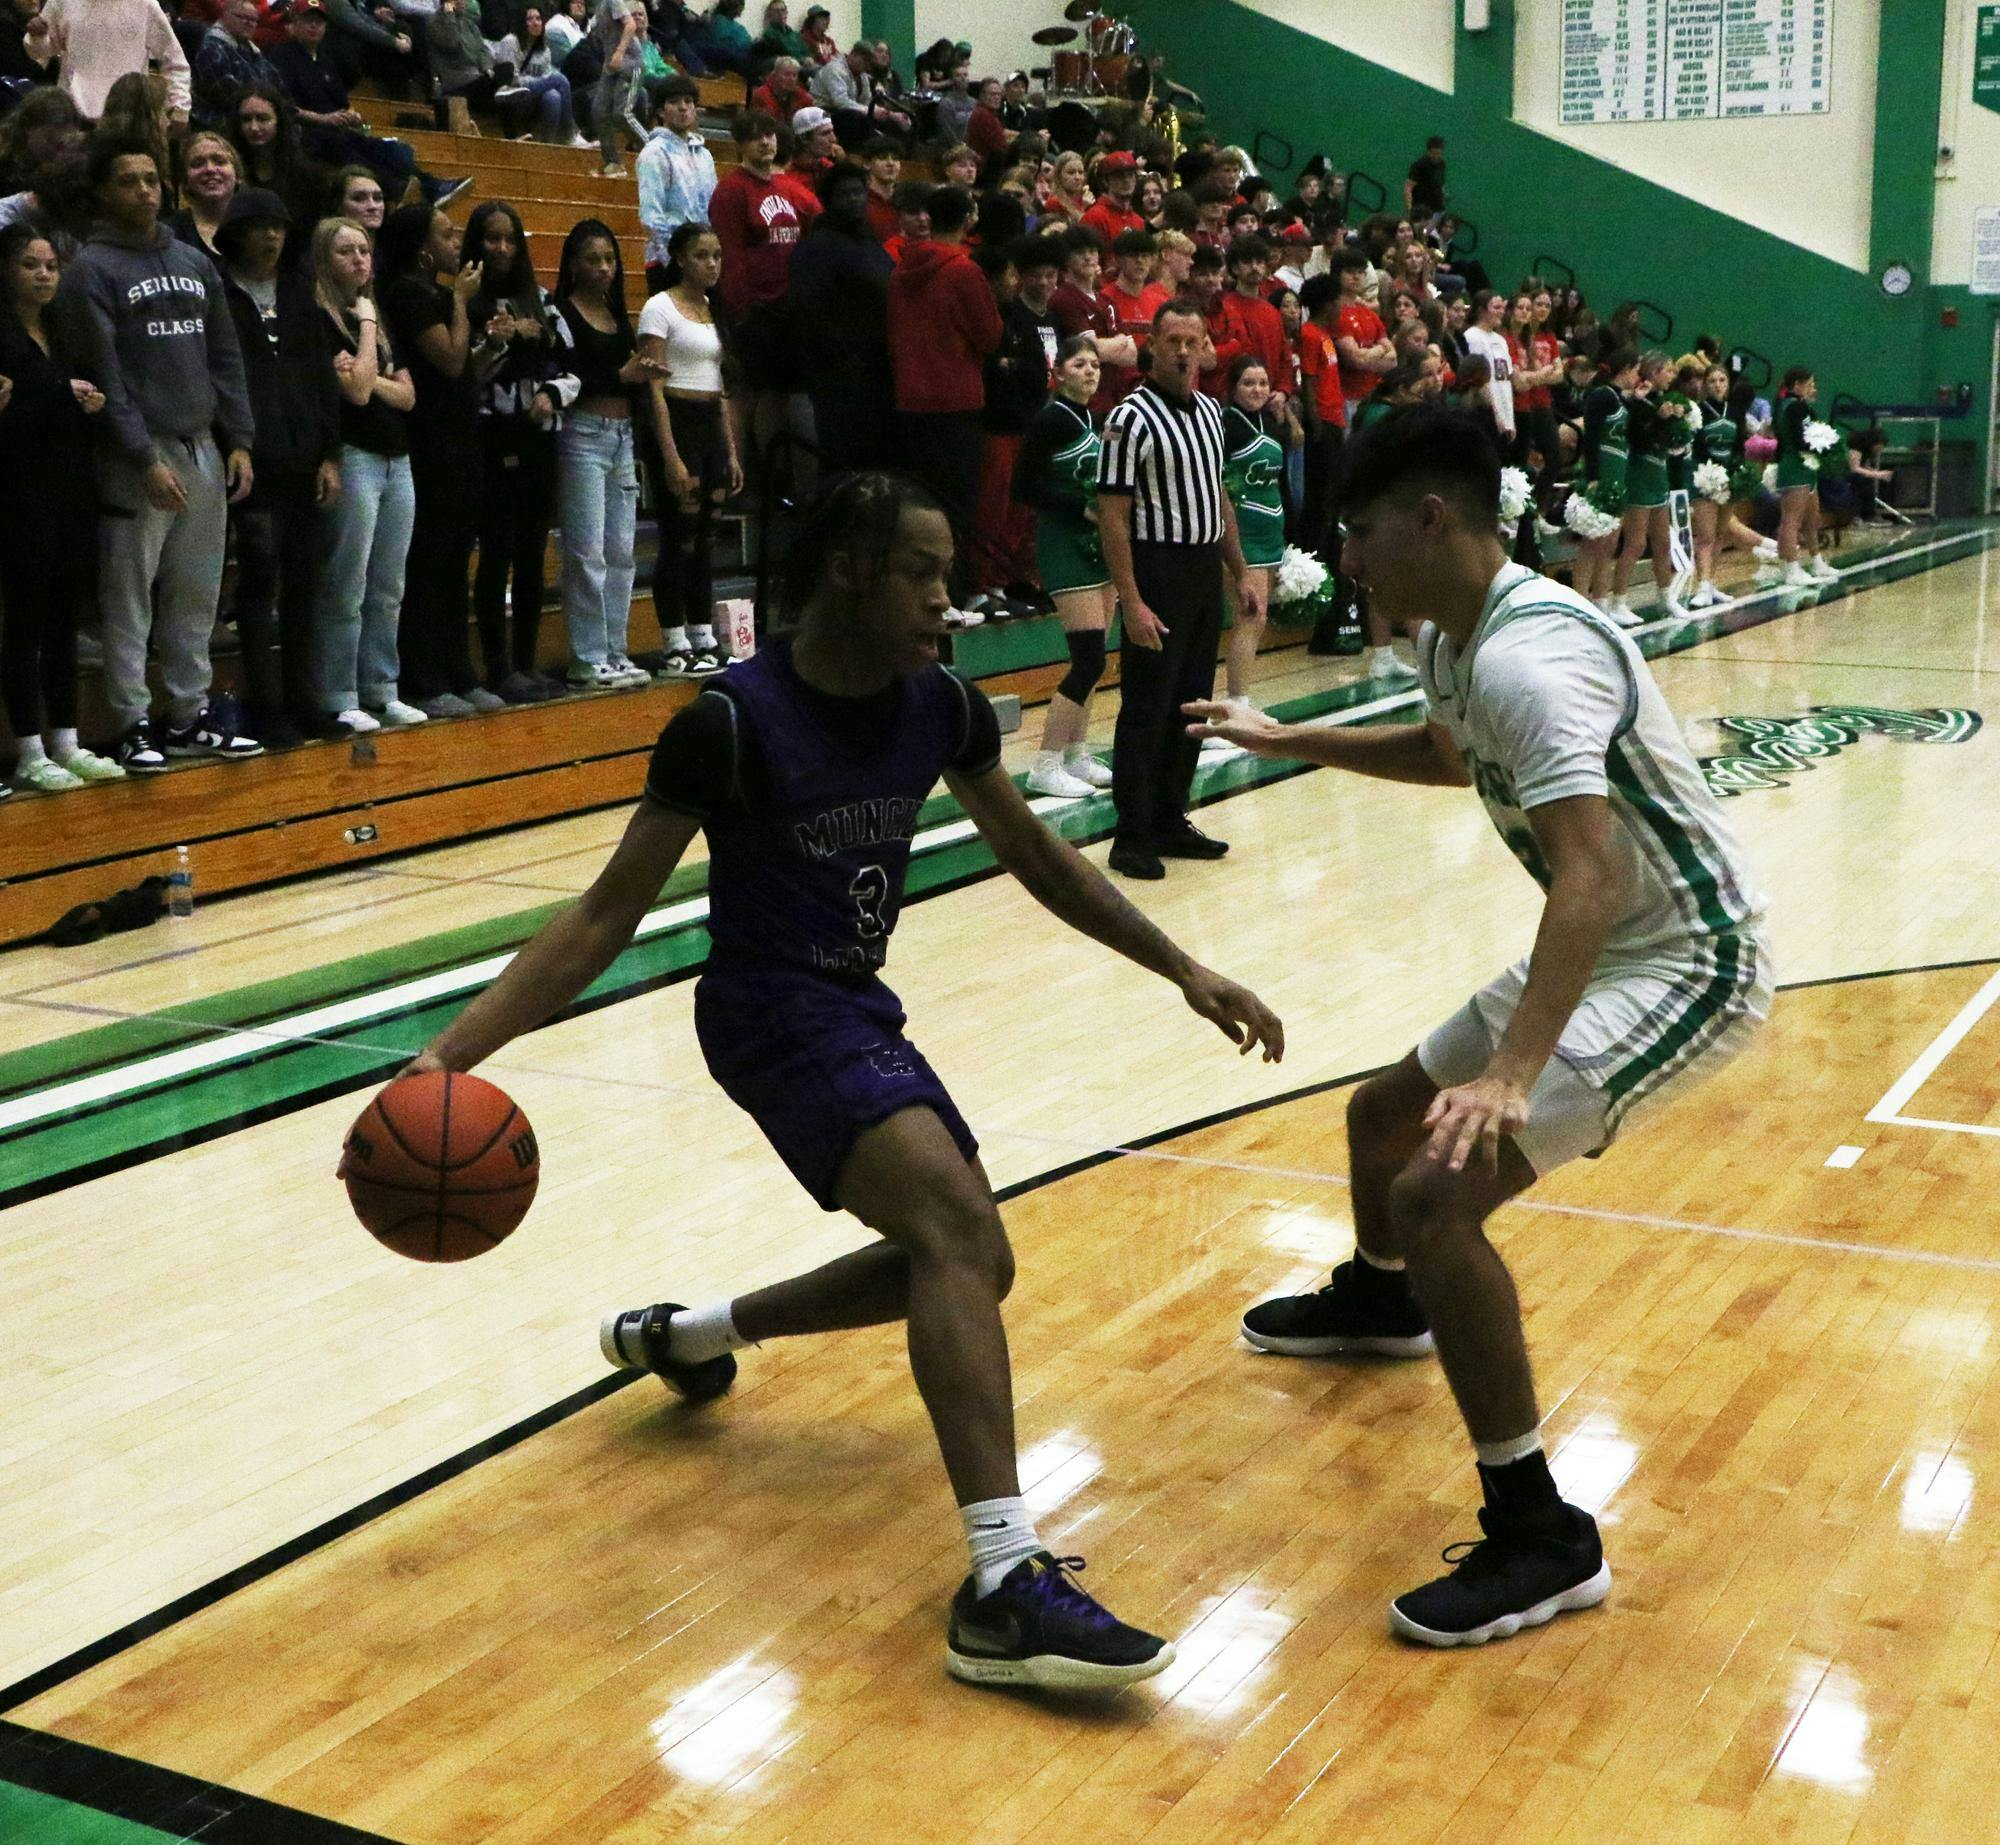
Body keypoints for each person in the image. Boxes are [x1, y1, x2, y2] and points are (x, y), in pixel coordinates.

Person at [398, 468, 1282, 1690]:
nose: (947, 597)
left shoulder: (941, 705)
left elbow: (1033, 855)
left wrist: (1182, 967)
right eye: (922, 572)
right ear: (850, 572)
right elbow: (605, 915)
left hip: (852, 1008)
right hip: (765, 1013)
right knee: (957, 1230)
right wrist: (451, 1055)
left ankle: (693, 1334)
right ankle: (1003, 1583)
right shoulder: (728, 722)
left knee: (971, 1260)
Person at [1199, 401, 1769, 1649]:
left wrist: (1513, 1074)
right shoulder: (1460, 643)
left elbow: (1592, 875)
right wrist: (1288, 734)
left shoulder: (1527, 656)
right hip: (1609, 945)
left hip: (1684, 964)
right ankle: (1385, 1304)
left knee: (1434, 1190)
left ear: (1429, 518)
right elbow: (1451, 759)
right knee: (1382, 1118)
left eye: (1356, 531)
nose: (1345, 557)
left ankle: (1541, 1535)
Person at [57, 136, 260, 773]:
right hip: (133, 456)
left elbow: (225, 357)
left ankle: (188, 714)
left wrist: (241, 440)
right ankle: (128, 720)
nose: (144, 190)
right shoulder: (91, 268)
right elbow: (105, 374)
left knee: (196, 595)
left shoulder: (194, 262)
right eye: (128, 181)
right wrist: (143, 457)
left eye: (151, 178)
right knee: (129, 596)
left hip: (202, 445)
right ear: (104, 192)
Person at [1097, 297, 1264, 880]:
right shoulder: (1129, 417)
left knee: (1192, 702)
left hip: (1200, 571)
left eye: (1194, 341)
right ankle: (1131, 833)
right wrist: (1132, 598)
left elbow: (1218, 496)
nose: (1185, 351)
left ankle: (1170, 817)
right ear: (1153, 346)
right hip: (1156, 569)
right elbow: (1113, 514)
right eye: (1174, 341)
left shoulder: (1212, 414)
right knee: (1147, 706)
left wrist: (1240, 570)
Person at [217, 187, 342, 748]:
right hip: (253, 463)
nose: (271, 235)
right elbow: (220, 378)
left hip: (304, 459)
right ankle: (265, 708)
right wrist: (232, 444)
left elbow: (322, 381)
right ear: (236, 232)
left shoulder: (298, 296)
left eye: (279, 226)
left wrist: (330, 454)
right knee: (259, 586)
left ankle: (305, 700)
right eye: (259, 225)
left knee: (306, 586)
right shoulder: (220, 294)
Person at [0, 220, 121, 791]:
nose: (44, 274)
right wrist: (54, 394)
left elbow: (72, 396)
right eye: (30, 264)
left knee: (64, 622)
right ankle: (27, 747)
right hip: (18, 494)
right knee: (24, 623)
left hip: (70, 490)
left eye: (50, 265)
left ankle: (67, 740)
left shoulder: (64, 330)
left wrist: (88, 401)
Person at [376, 201, 498, 716]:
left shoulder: (437, 293)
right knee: (430, 561)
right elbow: (447, 360)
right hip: (430, 442)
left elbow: (466, 366)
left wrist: (492, 346)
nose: (457, 244)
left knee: (453, 560)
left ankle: (457, 667)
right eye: (447, 235)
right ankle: (423, 676)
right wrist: (462, 303)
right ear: (423, 248)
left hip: (460, 435)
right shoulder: (408, 292)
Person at [311, 212, 424, 732]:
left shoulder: (373, 313)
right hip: (353, 455)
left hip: (395, 457)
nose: (359, 259)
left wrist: (369, 372)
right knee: (347, 581)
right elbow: (356, 392)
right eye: (346, 251)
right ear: (323, 259)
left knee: (389, 582)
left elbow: (406, 395)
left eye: (364, 250)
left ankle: (383, 685)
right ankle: (341, 691)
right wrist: (367, 326)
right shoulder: (324, 316)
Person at [551, 218, 660, 698]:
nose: (603, 268)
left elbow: (622, 376)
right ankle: (588, 655)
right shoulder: (561, 313)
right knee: (586, 551)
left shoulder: (618, 316)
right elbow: (572, 379)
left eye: (610, 259)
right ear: (573, 264)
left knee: (621, 551)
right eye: (593, 259)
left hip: (621, 436)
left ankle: (616, 649)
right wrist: (625, 374)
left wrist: (639, 374)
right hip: (583, 435)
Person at [464, 200, 563, 703]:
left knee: (531, 555)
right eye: (491, 238)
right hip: (487, 440)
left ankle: (527, 662)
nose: (502, 248)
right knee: (497, 552)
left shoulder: (541, 298)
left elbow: (572, 361)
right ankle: (497, 666)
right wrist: (497, 342)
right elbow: (461, 377)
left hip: (538, 440)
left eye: (510, 239)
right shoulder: (464, 300)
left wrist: (553, 390)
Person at [886, 183, 999, 602]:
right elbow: (990, 335)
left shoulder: (900, 269)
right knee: (958, 505)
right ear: (968, 218)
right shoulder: (964, 270)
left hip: (910, 400)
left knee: (921, 505)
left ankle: (920, 592)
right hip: (957, 400)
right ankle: (960, 591)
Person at [637, 219, 739, 680]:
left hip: (710, 427)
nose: (712, 264)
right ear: (680, 259)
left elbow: (720, 388)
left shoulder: (715, 310)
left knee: (705, 539)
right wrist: (670, 455)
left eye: (717, 255)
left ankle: (702, 635)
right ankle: (672, 641)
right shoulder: (660, 308)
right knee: (678, 537)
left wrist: (732, 452)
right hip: (677, 421)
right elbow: (654, 388)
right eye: (702, 255)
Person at [1011, 334, 1112, 796]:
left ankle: (1076, 753)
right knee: (1088, 660)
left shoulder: (1089, 417)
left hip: (1094, 547)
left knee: (1095, 659)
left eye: (1095, 364)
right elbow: (1024, 487)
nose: (1090, 371)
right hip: (1063, 547)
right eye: (1079, 364)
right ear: (1059, 372)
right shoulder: (1050, 419)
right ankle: (1045, 762)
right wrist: (1081, 506)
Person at [709, 106, 811, 477]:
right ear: (740, 144)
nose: (766, 142)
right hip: (753, 311)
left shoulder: (789, 189)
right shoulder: (731, 191)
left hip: (788, 309)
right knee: (745, 394)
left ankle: (770, 478)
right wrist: (740, 311)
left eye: (770, 135)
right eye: (756, 137)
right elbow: (729, 256)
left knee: (776, 397)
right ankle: (737, 477)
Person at [971, 230, 1059, 620]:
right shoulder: (1009, 317)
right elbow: (1004, 370)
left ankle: (1020, 582)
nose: (1044, 282)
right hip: (1004, 426)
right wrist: (1021, 371)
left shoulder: (1053, 319)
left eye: (1051, 275)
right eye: (1035, 274)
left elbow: (1037, 372)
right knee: (998, 508)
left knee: (1027, 513)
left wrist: (1021, 370)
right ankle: (986, 585)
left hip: (1038, 426)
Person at [786, 161, 894, 475]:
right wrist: (843, 355)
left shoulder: (869, 242)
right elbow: (807, 311)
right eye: (845, 194)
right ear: (829, 200)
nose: (854, 200)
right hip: (840, 376)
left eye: (858, 192)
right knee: (843, 462)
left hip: (878, 372)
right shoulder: (816, 248)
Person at [1217, 354, 1283, 709]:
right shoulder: (1227, 425)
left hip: (1270, 535)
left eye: (1262, 383)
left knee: (1257, 619)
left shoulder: (1269, 422)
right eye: (1248, 383)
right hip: (1241, 537)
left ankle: (1241, 699)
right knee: (1249, 616)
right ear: (1233, 387)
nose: (1257, 390)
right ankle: (1236, 704)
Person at [1571, 345, 1637, 618]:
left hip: (1619, 474)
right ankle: (1579, 604)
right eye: (1636, 370)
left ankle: (1601, 601)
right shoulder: (1601, 396)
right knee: (1592, 543)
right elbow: (1592, 437)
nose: (1637, 376)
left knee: (1610, 543)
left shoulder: (1620, 397)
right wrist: (1595, 477)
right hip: (1603, 473)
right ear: (1625, 370)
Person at [636, 74, 716, 291]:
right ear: (661, 111)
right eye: (674, 102)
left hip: (703, 259)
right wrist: (673, 260)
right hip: (667, 263)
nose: (683, 108)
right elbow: (651, 215)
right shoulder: (654, 153)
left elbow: (712, 208)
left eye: (688, 102)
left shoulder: (705, 155)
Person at [1048, 225, 1135, 411]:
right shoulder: (1064, 298)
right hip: (1081, 402)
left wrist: (1106, 347)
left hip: (1112, 400)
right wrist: (1120, 341)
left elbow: (1132, 355)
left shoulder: (1106, 300)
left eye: (1092, 251)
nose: (1088, 257)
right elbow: (1090, 350)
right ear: (1066, 259)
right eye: (1080, 252)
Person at [1771, 366, 1836, 589]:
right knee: (1792, 520)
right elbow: (1799, 439)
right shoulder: (1793, 407)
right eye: (1809, 384)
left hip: (1806, 465)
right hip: (1794, 466)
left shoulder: (1798, 406)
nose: (1813, 388)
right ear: (1796, 385)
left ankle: (1816, 561)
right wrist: (1821, 446)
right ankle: (1791, 568)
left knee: (1812, 518)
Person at [588, 0, 646, 177]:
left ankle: (655, 150)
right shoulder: (597, 11)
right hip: (610, 66)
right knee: (599, 112)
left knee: (622, 114)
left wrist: (620, 52)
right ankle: (613, 162)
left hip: (629, 62)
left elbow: (630, 25)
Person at [813, 38, 906, 146]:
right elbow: (840, 102)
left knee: (890, 122)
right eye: (865, 61)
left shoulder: (862, 75)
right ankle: (869, 148)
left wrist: (890, 114)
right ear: (853, 54)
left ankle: (893, 150)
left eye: (870, 63)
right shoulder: (835, 69)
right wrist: (868, 111)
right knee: (855, 118)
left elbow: (867, 101)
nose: (867, 66)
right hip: (825, 113)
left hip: (848, 113)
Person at [195, 0, 277, 121]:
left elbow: (277, 86)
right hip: (220, 122)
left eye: (253, 20)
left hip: (256, 117)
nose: (249, 23)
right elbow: (230, 98)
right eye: (242, 17)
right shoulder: (212, 48)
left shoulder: (252, 50)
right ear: (224, 16)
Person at [169, 129, 242, 259]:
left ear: (237, 175)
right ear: (185, 181)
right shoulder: (170, 233)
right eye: (197, 164)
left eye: (219, 161)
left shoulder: (254, 224)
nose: (210, 169)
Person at [1461, 288, 1515, 446]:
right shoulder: (1472, 337)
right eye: (1496, 308)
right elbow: (1480, 380)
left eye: (1502, 308)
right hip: (1487, 414)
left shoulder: (1501, 340)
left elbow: (1506, 380)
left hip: (1505, 417)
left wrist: (1510, 419)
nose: (1501, 312)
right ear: (1481, 310)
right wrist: (1496, 416)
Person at [1405, 134, 1446, 220]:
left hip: (1437, 207)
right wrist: (1410, 208)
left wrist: (1443, 194)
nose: (1436, 156)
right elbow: (1408, 187)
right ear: (1428, 151)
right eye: (1433, 153)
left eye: (1438, 153)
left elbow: (1440, 182)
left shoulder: (1442, 164)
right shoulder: (1419, 165)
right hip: (1422, 207)